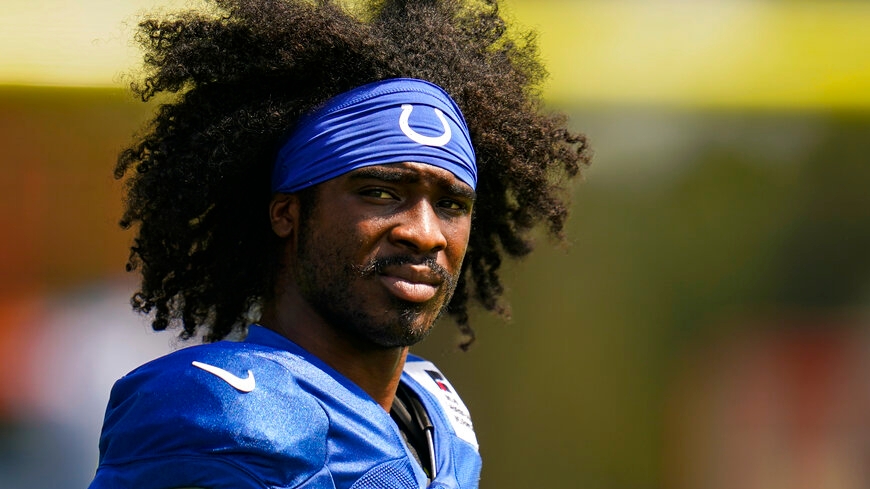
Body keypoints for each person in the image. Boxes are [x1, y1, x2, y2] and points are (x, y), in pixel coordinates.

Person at [88, 0, 590, 488]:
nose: (424, 232)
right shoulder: (217, 409)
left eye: (452, 204)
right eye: (379, 193)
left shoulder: (436, 414)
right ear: (287, 213)